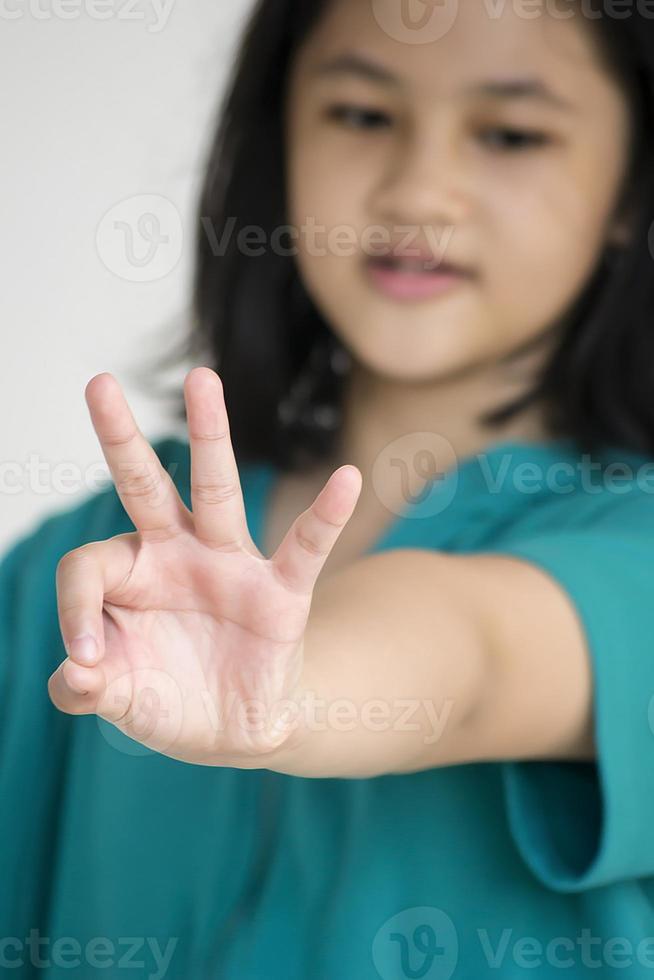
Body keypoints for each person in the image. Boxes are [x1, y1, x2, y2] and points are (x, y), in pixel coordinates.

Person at [3, 0, 654, 976]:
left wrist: (299, 687)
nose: (418, 189)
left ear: (632, 193)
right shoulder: (82, 568)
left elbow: (478, 652)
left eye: (512, 133)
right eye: (361, 113)